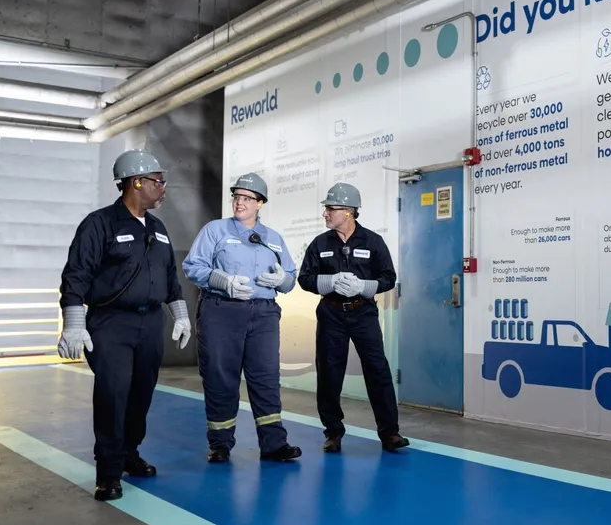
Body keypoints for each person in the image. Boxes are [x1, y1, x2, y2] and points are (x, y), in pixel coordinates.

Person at [57, 149, 192, 502]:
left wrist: (180, 315)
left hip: (150, 325)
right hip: (110, 323)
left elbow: (170, 279)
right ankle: (109, 472)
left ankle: (129, 452)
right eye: (158, 182)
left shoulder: (159, 229)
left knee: (141, 394)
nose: (163, 188)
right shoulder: (99, 224)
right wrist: (73, 323)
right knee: (112, 395)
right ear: (136, 183)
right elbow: (76, 275)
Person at [182, 173, 303, 464]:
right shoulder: (215, 230)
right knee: (221, 376)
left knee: (266, 377)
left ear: (260, 203)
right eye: (237, 196)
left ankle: (274, 444)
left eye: (248, 198)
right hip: (221, 311)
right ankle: (221, 443)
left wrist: (281, 279)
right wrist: (221, 279)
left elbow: (290, 280)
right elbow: (192, 266)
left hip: (263, 315)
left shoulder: (273, 238)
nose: (240, 202)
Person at [298, 182, 408, 453]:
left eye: (330, 209)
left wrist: (363, 287)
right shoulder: (319, 243)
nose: (325, 213)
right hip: (331, 313)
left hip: (364, 312)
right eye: (326, 209)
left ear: (348, 212)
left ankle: (389, 433)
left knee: (378, 371)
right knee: (329, 373)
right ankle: (333, 432)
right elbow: (305, 279)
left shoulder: (373, 241)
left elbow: (388, 278)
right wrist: (330, 282)